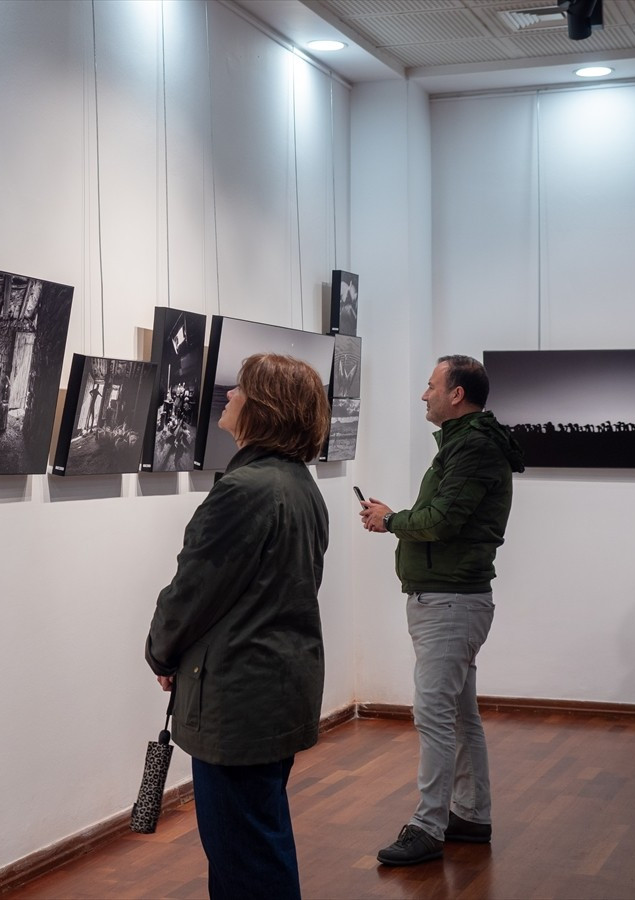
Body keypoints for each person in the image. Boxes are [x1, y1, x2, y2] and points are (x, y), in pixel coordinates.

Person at [145, 353, 331, 900]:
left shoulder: (246, 490)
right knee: (255, 841)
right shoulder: (300, 486)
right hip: (276, 686)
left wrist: (161, 652)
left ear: (264, 408)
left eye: (240, 390)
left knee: (245, 856)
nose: (228, 397)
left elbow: (194, 591)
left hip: (240, 699)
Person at [360, 354, 525, 866]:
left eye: (431, 385)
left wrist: (391, 521)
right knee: (458, 714)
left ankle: (428, 825)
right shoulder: (466, 444)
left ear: (457, 394)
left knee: (434, 715)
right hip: (452, 597)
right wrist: (398, 518)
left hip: (451, 600)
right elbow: (439, 516)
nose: (423, 394)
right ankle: (470, 815)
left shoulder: (472, 447)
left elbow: (442, 519)